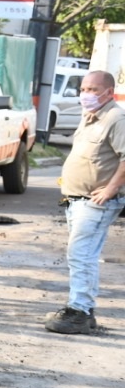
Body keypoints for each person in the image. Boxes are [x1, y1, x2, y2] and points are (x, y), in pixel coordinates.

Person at [42, 69, 125, 334]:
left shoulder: (115, 117)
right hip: (76, 200)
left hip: (95, 202)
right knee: (85, 256)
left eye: (93, 90)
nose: (86, 95)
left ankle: (77, 310)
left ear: (108, 92)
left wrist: (110, 190)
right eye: (83, 89)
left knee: (80, 255)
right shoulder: (90, 117)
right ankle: (85, 310)